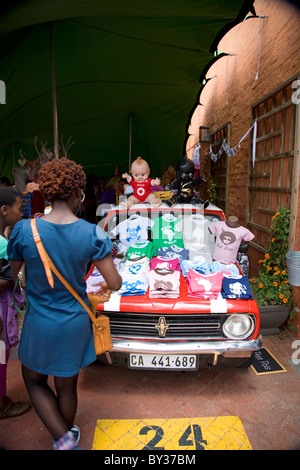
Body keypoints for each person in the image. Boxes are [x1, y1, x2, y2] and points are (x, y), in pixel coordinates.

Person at [7, 158, 122, 450]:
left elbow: (12, 274)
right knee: (67, 385)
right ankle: (65, 435)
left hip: (39, 321)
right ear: (79, 193)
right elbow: (116, 283)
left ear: (45, 192)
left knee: (33, 381)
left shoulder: (23, 230)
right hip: (74, 322)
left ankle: (64, 439)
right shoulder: (93, 233)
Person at [0, 186, 31, 420]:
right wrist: (14, 275)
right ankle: (1, 403)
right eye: (18, 208)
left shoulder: (5, 238)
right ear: (4, 210)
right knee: (0, 355)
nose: (21, 213)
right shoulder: (2, 244)